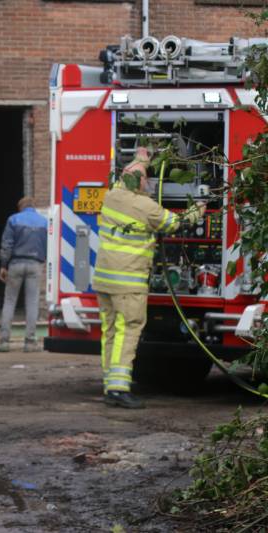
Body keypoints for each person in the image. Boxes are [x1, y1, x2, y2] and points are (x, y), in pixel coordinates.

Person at [93, 146, 205, 409]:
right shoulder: (144, 206)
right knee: (128, 331)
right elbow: (174, 224)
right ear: (139, 182)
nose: (149, 183)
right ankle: (119, 390)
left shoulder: (112, 195)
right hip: (128, 283)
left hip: (105, 281)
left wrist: (142, 159)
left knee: (109, 332)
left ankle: (111, 384)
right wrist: (199, 208)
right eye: (146, 179)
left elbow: (127, 176)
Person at [0, 196, 48, 353]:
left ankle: (4, 342)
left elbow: (7, 244)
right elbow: (47, 243)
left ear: (20, 207)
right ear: (34, 206)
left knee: (10, 302)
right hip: (35, 265)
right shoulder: (44, 222)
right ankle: (30, 342)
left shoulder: (13, 220)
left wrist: (3, 265)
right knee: (32, 303)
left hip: (15, 264)